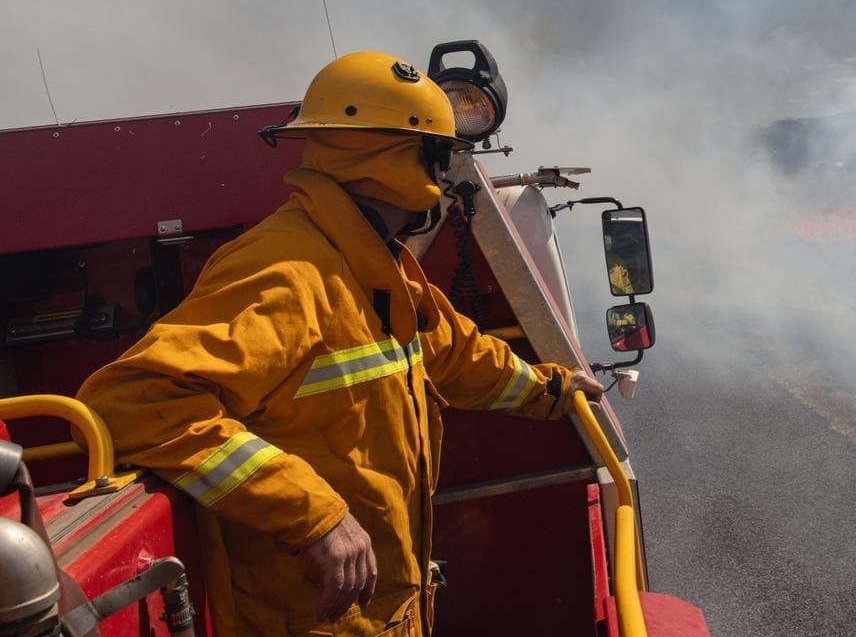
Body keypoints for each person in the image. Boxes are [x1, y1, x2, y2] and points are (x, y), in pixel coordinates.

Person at [75, 51, 604, 636]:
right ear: (406, 161)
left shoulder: (372, 263)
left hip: (378, 616)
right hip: (304, 620)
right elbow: (138, 401)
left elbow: (448, 352)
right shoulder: (287, 270)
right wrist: (316, 518)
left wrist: (548, 388)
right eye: (440, 155)